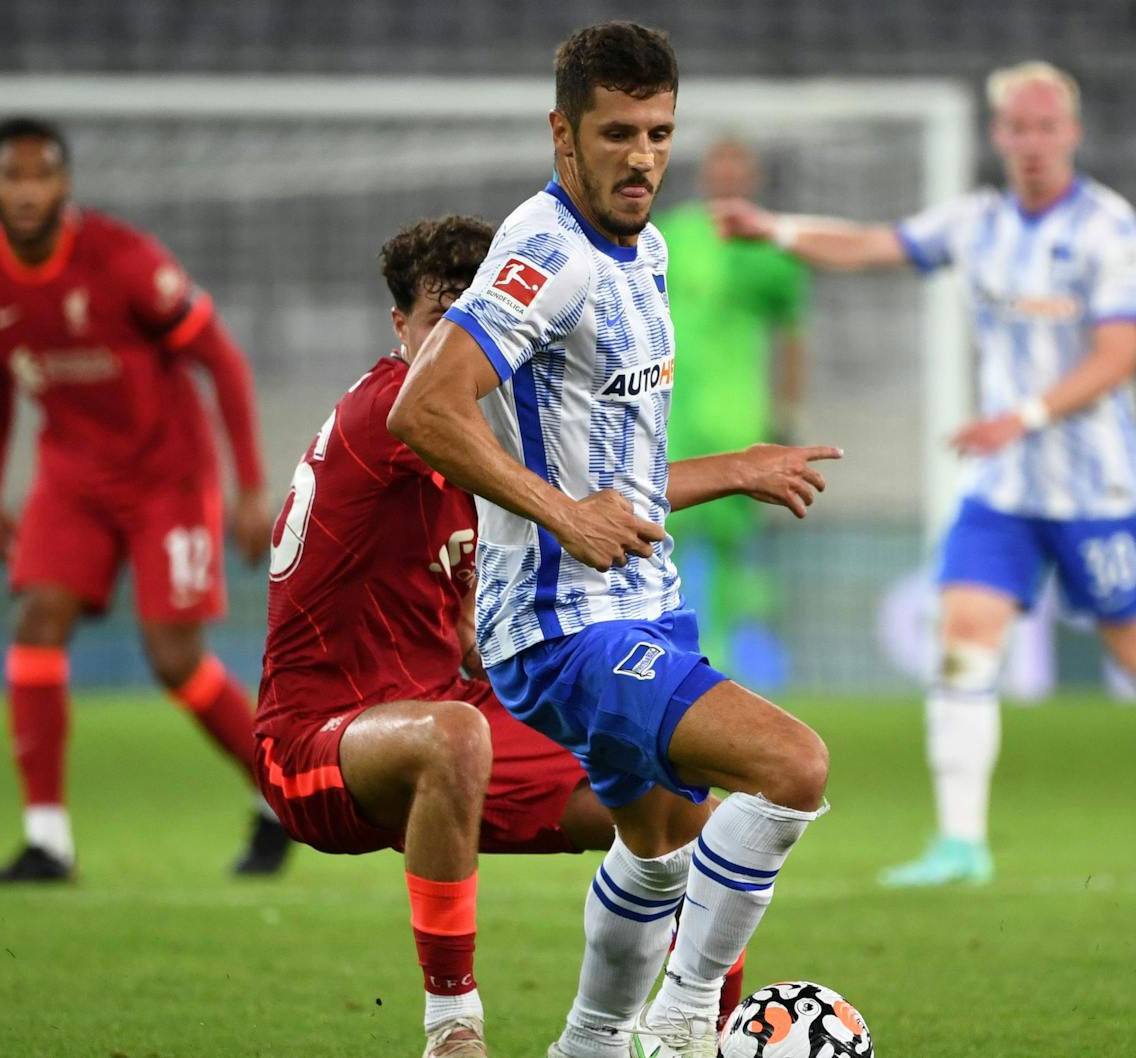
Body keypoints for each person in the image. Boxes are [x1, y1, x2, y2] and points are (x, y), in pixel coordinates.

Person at [713, 61, 1136, 886]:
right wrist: (781, 229)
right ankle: (961, 845)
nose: (1032, 142)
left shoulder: (1109, 230)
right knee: (964, 641)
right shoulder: (979, 222)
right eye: (1018, 127)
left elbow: (1118, 356)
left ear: (1072, 135)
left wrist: (1024, 417)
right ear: (999, 136)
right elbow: (879, 243)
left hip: (1096, 489)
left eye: (1047, 127)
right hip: (1003, 490)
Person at [389, 22, 842, 1058]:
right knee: (791, 766)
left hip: (642, 603)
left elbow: (617, 483)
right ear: (563, 135)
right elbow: (422, 408)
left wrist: (734, 467)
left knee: (660, 851)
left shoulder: (651, 248)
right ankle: (684, 1024)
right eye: (617, 133)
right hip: (559, 626)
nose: (641, 156)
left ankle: (588, 1044)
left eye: (658, 131)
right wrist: (560, 514)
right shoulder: (543, 252)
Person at [254, 214, 774, 1058]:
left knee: (678, 814)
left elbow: (548, 520)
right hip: (315, 740)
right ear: (402, 331)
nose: (461, 343)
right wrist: (731, 471)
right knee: (453, 734)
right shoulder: (406, 409)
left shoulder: (479, 436)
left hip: (440, 714)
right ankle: (451, 1028)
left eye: (477, 316)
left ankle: (703, 1036)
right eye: (438, 320)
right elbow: (583, 496)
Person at [0, 116, 289, 884]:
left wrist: (248, 486)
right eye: (13, 175)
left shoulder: (121, 258)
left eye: (42, 175)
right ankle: (46, 842)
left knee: (173, 660)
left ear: (64, 185)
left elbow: (221, 359)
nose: (28, 189)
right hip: (71, 476)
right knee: (36, 619)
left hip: (167, 474)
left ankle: (276, 795)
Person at [656, 138, 811, 678]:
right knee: (655, 530)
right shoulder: (670, 234)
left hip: (735, 415)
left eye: (735, 173)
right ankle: (661, 649)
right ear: (705, 177)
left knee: (727, 545)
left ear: (749, 181)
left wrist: (786, 411)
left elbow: (792, 336)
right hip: (669, 411)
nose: (725, 182)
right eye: (718, 171)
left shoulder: (771, 251)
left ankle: (718, 657)